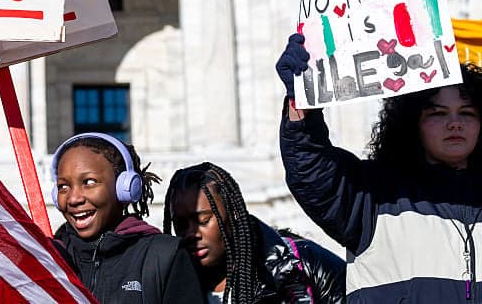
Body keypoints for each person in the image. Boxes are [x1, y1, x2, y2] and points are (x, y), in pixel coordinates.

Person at [277, 32, 482, 302]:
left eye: (467, 113)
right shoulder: (371, 196)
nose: (455, 124)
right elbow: (311, 167)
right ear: (412, 123)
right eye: (438, 113)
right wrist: (302, 101)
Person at [163, 162, 344, 303]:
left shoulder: (301, 265)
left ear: (232, 214)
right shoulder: (168, 286)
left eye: (203, 220)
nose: (191, 233)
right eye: (180, 224)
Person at [51, 132, 202, 302]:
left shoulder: (165, 256)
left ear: (124, 187)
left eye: (89, 182)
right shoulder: (49, 257)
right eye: (63, 186)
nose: (73, 199)